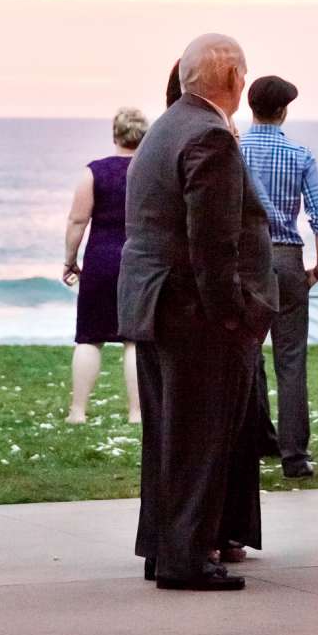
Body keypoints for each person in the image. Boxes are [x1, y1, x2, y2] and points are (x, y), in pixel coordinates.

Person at [119, 34, 274, 591]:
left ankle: (165, 547)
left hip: (156, 302)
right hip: (193, 311)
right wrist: (233, 313)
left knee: (168, 434)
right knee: (199, 436)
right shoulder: (210, 135)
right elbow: (213, 241)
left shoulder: (164, 129)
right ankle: (187, 557)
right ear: (232, 76)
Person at [238, 75, 318, 478]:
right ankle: (295, 456)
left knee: (245, 352)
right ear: (283, 111)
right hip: (288, 257)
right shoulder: (300, 154)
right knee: (291, 359)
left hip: (246, 260)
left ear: (251, 106)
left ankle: (252, 440)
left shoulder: (234, 149)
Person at [64, 106, 148, 424]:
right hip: (139, 261)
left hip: (100, 260)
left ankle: (78, 410)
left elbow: (77, 220)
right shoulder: (150, 172)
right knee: (135, 339)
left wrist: (70, 260)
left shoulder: (94, 172)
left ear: (115, 134)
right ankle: (137, 413)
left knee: (89, 337)